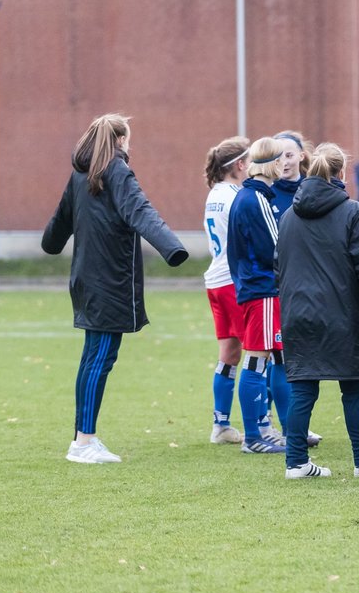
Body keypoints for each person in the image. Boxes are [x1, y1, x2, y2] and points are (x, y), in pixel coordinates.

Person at [41, 113, 188, 464]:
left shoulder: (81, 174)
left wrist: (50, 243)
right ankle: (83, 442)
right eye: (129, 139)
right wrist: (173, 247)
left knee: (92, 358)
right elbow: (141, 211)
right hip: (109, 282)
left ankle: (83, 437)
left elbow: (58, 226)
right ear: (120, 141)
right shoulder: (116, 171)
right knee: (99, 360)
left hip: (87, 280)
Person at [276, 143, 359, 479]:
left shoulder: (288, 216)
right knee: (354, 387)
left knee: (302, 388)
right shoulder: (355, 213)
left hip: (298, 313)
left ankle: (296, 462)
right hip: (342, 314)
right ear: (341, 173)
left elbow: (278, 268)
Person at [226, 136, 291, 455]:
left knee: (264, 359)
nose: (286, 165)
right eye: (281, 159)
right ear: (273, 163)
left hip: (253, 287)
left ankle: (263, 429)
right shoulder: (257, 200)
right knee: (256, 360)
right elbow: (275, 249)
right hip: (263, 289)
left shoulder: (248, 196)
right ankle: (253, 437)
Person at [270, 129, 321, 448]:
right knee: (277, 356)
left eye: (289, 154)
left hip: (312, 287)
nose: (284, 161)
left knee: (304, 358)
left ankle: (295, 424)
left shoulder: (313, 190)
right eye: (278, 156)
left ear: (302, 155)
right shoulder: (268, 193)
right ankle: (285, 427)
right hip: (277, 286)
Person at [202, 136, 249, 446]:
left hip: (216, 281)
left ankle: (221, 425)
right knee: (264, 353)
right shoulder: (236, 196)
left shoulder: (214, 194)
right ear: (241, 165)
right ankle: (263, 425)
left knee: (230, 354)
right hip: (235, 281)